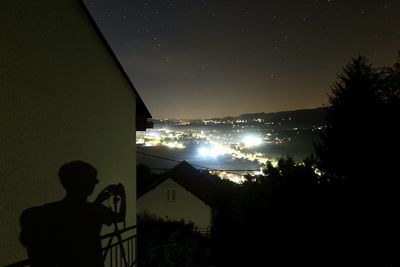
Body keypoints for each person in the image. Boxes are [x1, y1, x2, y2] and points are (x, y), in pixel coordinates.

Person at [20, 160, 126, 267]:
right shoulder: (96, 210)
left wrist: (98, 200)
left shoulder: (48, 212)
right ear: (87, 184)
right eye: (93, 181)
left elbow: (83, 215)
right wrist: (123, 195)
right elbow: (120, 217)